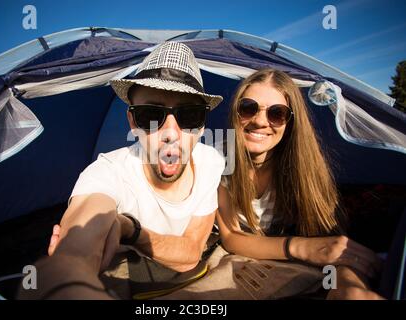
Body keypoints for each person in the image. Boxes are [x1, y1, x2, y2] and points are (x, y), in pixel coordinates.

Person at [40, 41, 225, 299]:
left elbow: (191, 252)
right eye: (150, 115)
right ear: (133, 122)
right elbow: (87, 222)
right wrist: (70, 268)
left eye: (190, 115)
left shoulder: (211, 162)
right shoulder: (108, 172)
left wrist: (128, 229)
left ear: (203, 126)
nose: (171, 133)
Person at [216, 68, 384, 300]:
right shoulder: (217, 157)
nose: (259, 121)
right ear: (235, 111)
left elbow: (328, 242)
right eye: (248, 108)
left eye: (277, 113)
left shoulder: (302, 164)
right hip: (248, 254)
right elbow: (232, 237)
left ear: (290, 121)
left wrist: (346, 284)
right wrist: (302, 248)